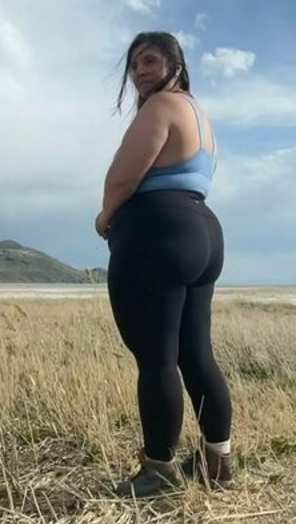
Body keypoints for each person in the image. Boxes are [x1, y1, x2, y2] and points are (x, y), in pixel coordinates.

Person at [96, 31, 234, 499]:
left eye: (150, 60)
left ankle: (158, 471)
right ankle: (218, 462)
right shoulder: (201, 117)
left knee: (155, 358)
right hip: (202, 230)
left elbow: (122, 177)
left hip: (158, 233)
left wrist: (105, 217)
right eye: (134, 65)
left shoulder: (160, 107)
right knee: (196, 354)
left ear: (176, 65)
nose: (140, 71)